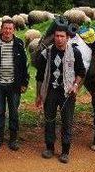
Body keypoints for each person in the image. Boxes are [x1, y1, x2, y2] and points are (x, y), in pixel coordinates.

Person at [35, 24, 85, 163]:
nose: (59, 39)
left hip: (67, 93)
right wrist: (39, 95)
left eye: (62, 36)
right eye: (56, 36)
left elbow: (81, 72)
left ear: (67, 38)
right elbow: (39, 77)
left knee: (67, 122)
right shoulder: (47, 54)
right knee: (49, 120)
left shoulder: (75, 53)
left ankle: (65, 151)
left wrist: (75, 85)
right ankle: (49, 148)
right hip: (50, 91)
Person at [0, 18, 29, 150]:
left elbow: (25, 65)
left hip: (14, 85)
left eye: (10, 28)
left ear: (13, 30)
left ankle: (13, 138)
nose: (7, 31)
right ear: (1, 29)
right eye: (5, 28)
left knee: (14, 111)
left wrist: (24, 82)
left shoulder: (19, 44)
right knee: (0, 110)